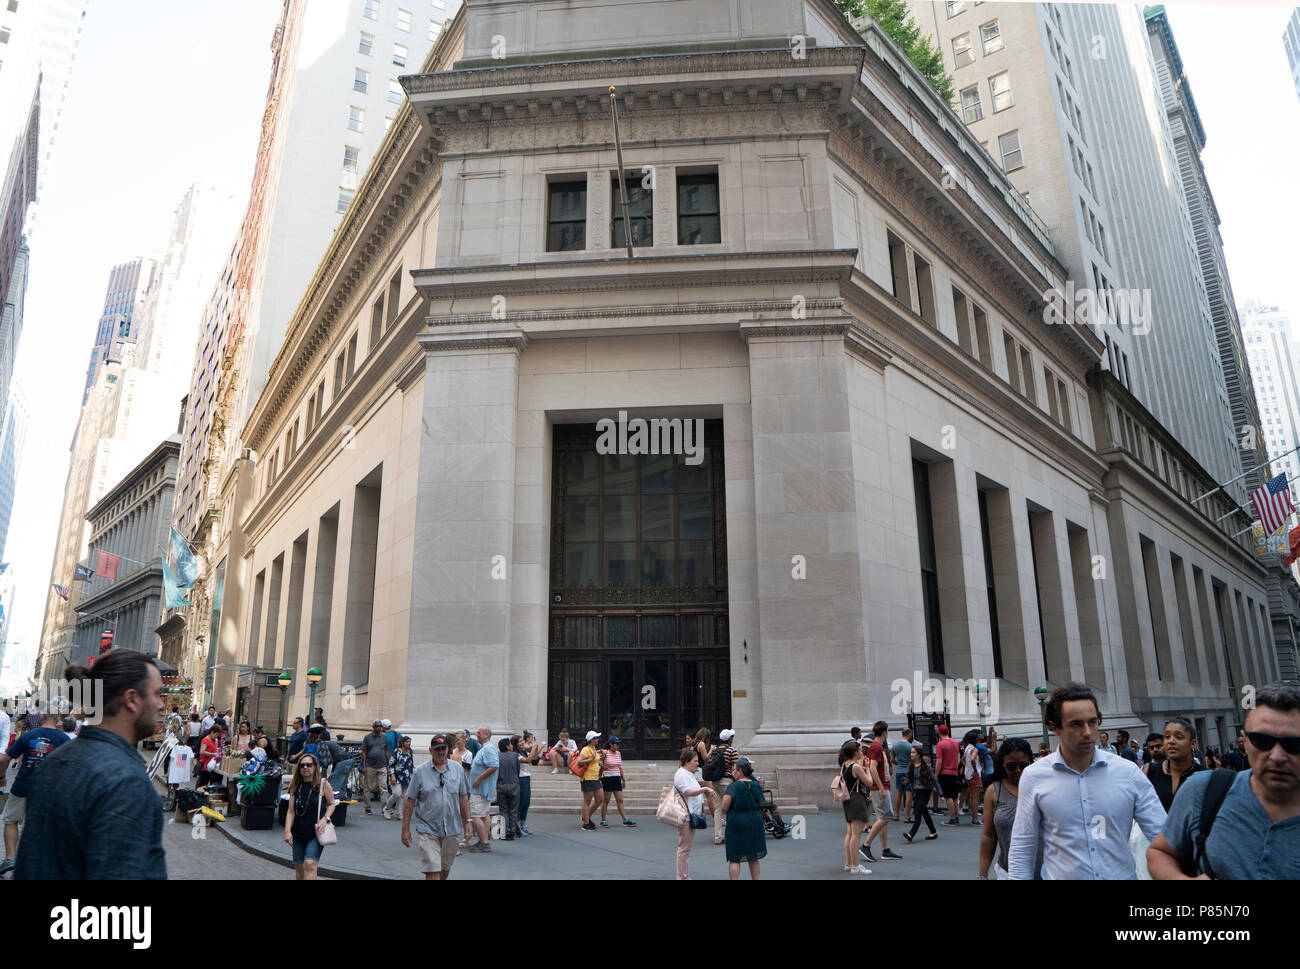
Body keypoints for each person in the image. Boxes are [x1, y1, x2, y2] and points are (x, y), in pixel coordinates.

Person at [15, 650, 167, 879]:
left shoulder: (53, 762)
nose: (161, 705)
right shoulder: (126, 783)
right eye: (157, 694)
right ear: (132, 700)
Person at [1007, 683, 1165, 880]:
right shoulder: (1033, 777)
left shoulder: (1128, 773)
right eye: (1076, 724)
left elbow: (1163, 836)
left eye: (1093, 722)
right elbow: (1022, 847)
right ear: (1054, 727)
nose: (1088, 732)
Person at [1148, 683, 1300, 879]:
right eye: (1262, 741)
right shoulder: (1202, 790)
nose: (1277, 756)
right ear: (1244, 741)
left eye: (1293, 743)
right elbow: (1160, 853)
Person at [0, 712, 71, 874]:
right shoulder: (64, 740)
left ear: (42, 718)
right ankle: (33, 861)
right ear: (58, 719)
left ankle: (10, 858)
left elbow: (5, 759)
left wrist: (1, 776)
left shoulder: (29, 735)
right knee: (37, 825)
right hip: (49, 790)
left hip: (23, 785)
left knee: (11, 820)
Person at [402, 735, 471, 880]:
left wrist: (468, 821)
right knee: (432, 868)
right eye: (437, 749)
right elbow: (410, 800)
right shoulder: (420, 772)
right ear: (430, 751)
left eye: (443, 749)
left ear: (448, 750)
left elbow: (463, 796)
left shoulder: (457, 770)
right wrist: (405, 829)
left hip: (452, 828)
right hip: (427, 828)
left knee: (444, 869)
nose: (440, 752)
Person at [978, 737, 1040, 880]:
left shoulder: (1042, 786)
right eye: (1012, 766)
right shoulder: (994, 791)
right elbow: (989, 835)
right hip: (1008, 873)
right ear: (1003, 765)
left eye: (1024, 765)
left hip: (1046, 872)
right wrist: (982, 875)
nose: (1018, 770)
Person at [283, 753, 336, 879]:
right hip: (298, 833)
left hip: (316, 832)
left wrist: (325, 818)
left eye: (309, 765)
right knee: (299, 866)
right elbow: (290, 811)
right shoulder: (295, 786)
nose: (305, 767)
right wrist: (287, 831)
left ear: (314, 767)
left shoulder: (323, 784)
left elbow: (332, 804)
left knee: (310, 864)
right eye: (302, 765)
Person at [1144, 716, 1204, 811]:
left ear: (1192, 743)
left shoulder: (1204, 775)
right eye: (1167, 737)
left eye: (1179, 737)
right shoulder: (1150, 771)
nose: (1171, 741)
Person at [673, 747, 715, 880]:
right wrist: (704, 789)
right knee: (684, 848)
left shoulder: (688, 773)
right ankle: (682, 877)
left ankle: (684, 876)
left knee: (685, 848)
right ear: (686, 761)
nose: (698, 763)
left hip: (690, 814)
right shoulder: (681, 774)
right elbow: (687, 792)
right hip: (686, 815)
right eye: (695, 761)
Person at [720, 757, 766, 879]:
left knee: (735, 857)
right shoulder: (756, 785)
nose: (732, 772)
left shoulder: (734, 786)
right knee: (754, 856)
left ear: (740, 771)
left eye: (734, 769)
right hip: (755, 820)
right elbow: (763, 804)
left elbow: (724, 806)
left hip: (737, 821)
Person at [861, 720, 900, 861]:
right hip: (880, 787)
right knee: (886, 816)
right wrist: (882, 788)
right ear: (885, 732)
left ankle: (885, 849)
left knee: (882, 817)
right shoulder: (877, 747)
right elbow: (872, 768)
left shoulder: (876, 746)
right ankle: (866, 845)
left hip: (879, 786)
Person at [838, 741, 873, 874]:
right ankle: (855, 866)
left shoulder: (844, 766)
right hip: (857, 800)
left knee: (850, 833)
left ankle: (849, 863)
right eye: (859, 750)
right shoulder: (856, 767)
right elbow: (869, 782)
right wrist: (868, 768)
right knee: (856, 835)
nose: (862, 752)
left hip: (847, 799)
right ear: (855, 753)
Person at [466, 725, 498, 850]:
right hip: (483, 789)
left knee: (475, 815)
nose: (476, 734)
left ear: (486, 734)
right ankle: (483, 840)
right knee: (484, 814)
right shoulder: (485, 748)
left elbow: (494, 766)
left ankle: (484, 842)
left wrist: (479, 779)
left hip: (480, 789)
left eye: (479, 732)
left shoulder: (488, 749)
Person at [704, 728, 738, 842]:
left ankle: (718, 836)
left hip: (714, 782)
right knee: (730, 807)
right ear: (729, 739)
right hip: (726, 781)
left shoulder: (715, 750)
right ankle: (732, 834)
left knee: (717, 809)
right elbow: (737, 769)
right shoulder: (732, 751)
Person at [901, 746, 938, 843]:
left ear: (918, 755)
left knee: (917, 813)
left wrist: (941, 794)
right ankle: (933, 832)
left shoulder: (926, 766)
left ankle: (911, 834)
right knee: (924, 812)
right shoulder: (912, 766)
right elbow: (910, 778)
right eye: (911, 752)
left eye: (913, 752)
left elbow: (934, 780)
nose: (911, 754)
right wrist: (906, 780)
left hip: (925, 791)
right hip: (916, 791)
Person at [599, 735, 636, 827]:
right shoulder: (605, 753)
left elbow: (620, 767)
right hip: (607, 778)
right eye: (617, 743)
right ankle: (603, 820)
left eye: (619, 743)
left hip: (616, 777)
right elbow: (595, 759)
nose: (618, 745)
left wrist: (623, 779)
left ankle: (625, 819)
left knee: (620, 800)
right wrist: (602, 766)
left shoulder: (618, 753)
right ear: (611, 744)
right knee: (606, 800)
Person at [360, 719, 390, 815]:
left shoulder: (384, 737)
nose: (379, 728)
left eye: (380, 726)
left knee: (383, 788)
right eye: (377, 726)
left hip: (382, 765)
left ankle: (384, 808)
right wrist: (364, 766)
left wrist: (388, 764)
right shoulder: (367, 737)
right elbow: (364, 752)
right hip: (370, 765)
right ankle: (367, 807)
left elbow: (386, 750)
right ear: (373, 727)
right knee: (367, 787)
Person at [934, 724, 961, 823]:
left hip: (945, 772)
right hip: (955, 772)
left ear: (939, 733)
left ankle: (952, 818)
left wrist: (936, 775)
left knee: (948, 796)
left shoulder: (940, 744)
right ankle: (956, 816)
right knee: (954, 796)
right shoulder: (955, 742)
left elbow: (939, 761)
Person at [496, 736, 522, 840]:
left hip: (501, 784)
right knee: (513, 810)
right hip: (514, 784)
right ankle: (512, 830)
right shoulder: (515, 755)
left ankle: (505, 831)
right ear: (507, 746)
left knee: (503, 810)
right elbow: (517, 769)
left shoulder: (497, 756)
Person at [384, 735, 415, 820]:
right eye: (407, 742)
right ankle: (387, 808)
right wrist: (392, 775)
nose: (409, 744)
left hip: (406, 776)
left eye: (409, 742)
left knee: (403, 796)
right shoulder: (397, 752)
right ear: (402, 743)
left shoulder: (410, 752)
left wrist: (412, 776)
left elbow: (411, 764)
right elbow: (391, 764)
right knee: (396, 794)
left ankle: (399, 812)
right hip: (397, 776)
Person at [578, 730, 603, 830]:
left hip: (595, 777)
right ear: (591, 740)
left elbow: (595, 760)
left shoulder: (593, 748)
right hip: (587, 777)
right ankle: (586, 823)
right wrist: (590, 759)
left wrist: (601, 764)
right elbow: (579, 762)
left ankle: (586, 817)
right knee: (587, 801)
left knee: (599, 799)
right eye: (596, 738)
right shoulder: (585, 749)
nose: (598, 740)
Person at [891, 728, 918, 822]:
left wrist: (898, 764)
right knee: (908, 794)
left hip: (899, 771)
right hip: (909, 772)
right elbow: (915, 758)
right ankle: (907, 817)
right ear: (909, 734)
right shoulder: (911, 746)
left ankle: (896, 815)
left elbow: (892, 760)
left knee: (898, 793)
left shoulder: (895, 746)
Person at [517, 731, 538, 836]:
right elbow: (527, 760)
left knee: (526, 803)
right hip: (521, 779)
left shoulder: (523, 752)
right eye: (520, 741)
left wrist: (538, 748)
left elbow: (534, 758)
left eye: (522, 741)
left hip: (526, 778)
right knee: (521, 803)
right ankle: (517, 826)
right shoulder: (516, 754)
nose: (522, 743)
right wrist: (533, 747)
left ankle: (523, 824)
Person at [962, 729, 984, 826]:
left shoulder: (967, 747)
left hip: (968, 774)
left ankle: (973, 817)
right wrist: (975, 770)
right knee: (975, 798)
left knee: (971, 796)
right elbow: (972, 759)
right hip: (974, 775)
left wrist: (967, 767)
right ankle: (975, 819)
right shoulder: (974, 749)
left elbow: (963, 759)